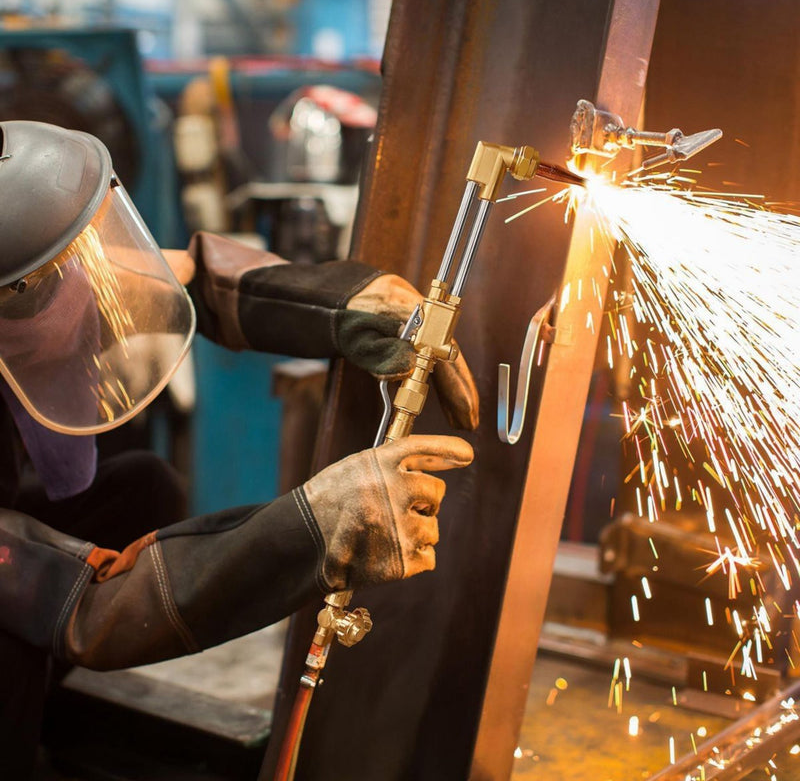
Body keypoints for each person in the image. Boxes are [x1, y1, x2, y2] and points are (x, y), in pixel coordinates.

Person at [0, 120, 478, 777]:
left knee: (142, 485)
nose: (80, 289)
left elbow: (179, 281)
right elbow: (75, 602)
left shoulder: (26, 290)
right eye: (44, 286)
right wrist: (311, 531)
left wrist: (339, 302)